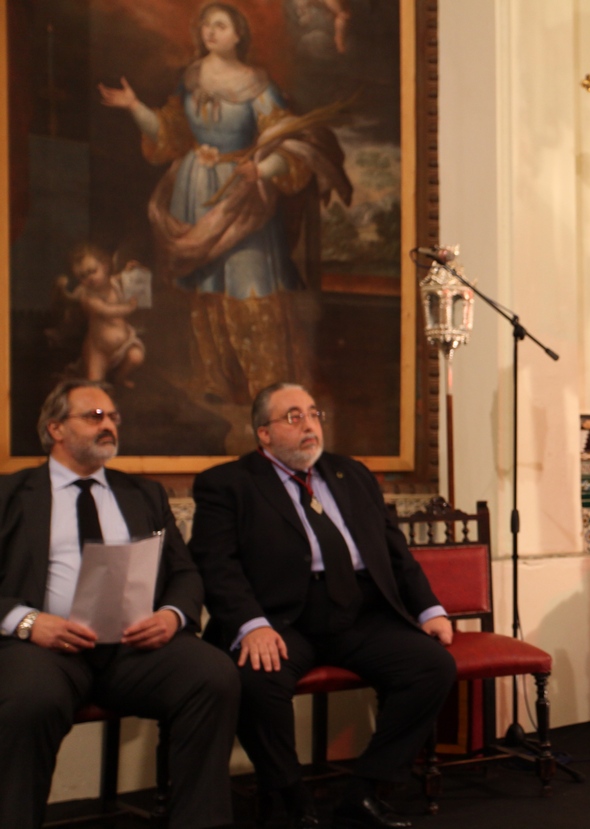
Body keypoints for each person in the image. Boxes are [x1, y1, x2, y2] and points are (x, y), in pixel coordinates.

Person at [189, 382, 456, 829]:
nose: (309, 425)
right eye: (293, 416)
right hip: (281, 617)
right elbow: (216, 565)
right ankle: (291, 799)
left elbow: (394, 550)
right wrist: (250, 624)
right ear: (263, 434)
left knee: (432, 667)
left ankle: (367, 790)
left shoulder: (350, 473)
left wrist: (430, 609)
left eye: (313, 414)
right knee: (257, 678)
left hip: (358, 611)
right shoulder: (228, 484)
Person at [0, 380, 239, 829]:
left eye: (113, 417)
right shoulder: (10, 495)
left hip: (133, 646)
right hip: (45, 649)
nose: (108, 425)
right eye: (95, 417)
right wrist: (29, 622)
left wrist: (171, 617)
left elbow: (185, 573)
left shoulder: (142, 495)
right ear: (55, 428)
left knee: (212, 674)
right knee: (31, 698)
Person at [99, 3, 351, 406]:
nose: (209, 32)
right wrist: (134, 107)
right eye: (205, 26)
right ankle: (216, 379)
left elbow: (286, 139)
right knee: (208, 290)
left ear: (238, 35)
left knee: (249, 286)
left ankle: (267, 389)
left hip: (241, 193)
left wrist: (263, 169)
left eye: (220, 25)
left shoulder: (257, 84)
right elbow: (170, 134)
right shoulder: (191, 78)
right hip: (194, 191)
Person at [56, 243, 146, 387]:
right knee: (94, 383)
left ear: (104, 266)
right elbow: (107, 311)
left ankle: (119, 378)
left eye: (92, 271)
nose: (89, 278)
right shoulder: (88, 297)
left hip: (124, 344)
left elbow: (120, 277)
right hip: (99, 350)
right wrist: (129, 307)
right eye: (82, 276)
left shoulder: (112, 282)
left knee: (136, 357)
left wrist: (128, 270)